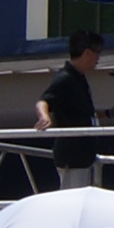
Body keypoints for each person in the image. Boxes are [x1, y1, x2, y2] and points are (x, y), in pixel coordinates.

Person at [35, 32, 103, 189]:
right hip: (72, 158)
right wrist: (45, 117)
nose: (98, 58)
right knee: (71, 201)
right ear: (87, 52)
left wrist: (110, 113)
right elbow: (43, 101)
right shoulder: (65, 78)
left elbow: (82, 112)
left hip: (84, 156)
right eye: (97, 52)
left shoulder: (79, 78)